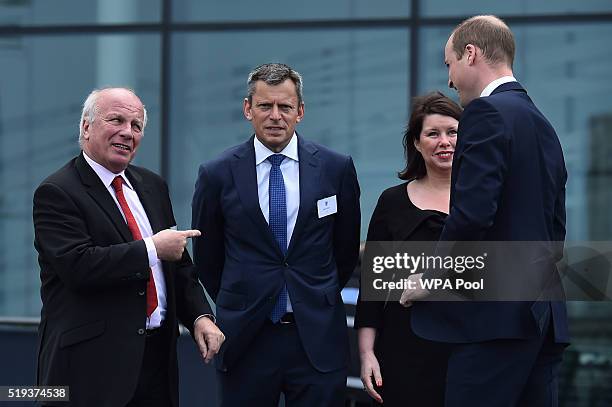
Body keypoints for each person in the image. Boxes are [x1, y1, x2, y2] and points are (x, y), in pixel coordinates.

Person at [401, 15, 569, 406]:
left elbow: (474, 213)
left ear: (471, 54)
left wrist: (431, 276)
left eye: (449, 64)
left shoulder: (486, 114)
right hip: (541, 318)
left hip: (493, 322)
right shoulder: (542, 122)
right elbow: (556, 227)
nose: (449, 79)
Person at [33, 87, 224, 407]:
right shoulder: (57, 191)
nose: (127, 132)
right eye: (116, 120)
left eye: (136, 126)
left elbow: (177, 262)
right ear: (86, 127)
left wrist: (200, 317)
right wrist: (151, 248)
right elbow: (78, 266)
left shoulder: (151, 185)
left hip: (156, 364)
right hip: (90, 369)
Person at [192, 63, 361, 407]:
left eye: (284, 107)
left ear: (300, 112)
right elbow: (208, 260)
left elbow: (343, 250)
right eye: (265, 106)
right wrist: (243, 296)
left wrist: (315, 291)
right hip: (247, 337)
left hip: (315, 336)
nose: (275, 116)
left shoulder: (335, 167)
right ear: (247, 109)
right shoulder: (216, 174)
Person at [355, 91, 461, 406]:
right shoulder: (392, 202)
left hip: (470, 346)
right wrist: (366, 354)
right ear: (416, 142)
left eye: (453, 132)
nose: (445, 141)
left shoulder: (484, 200)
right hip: (405, 350)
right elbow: (371, 287)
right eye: (433, 133)